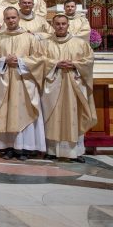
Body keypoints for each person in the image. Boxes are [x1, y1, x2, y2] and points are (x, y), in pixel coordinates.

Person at [0, 7, 45, 161]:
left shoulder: (30, 38)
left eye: (13, 17)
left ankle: (25, 147)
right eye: (8, 18)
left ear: (19, 18)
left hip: (23, 81)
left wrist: (19, 61)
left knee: (23, 111)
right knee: (5, 113)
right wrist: (4, 60)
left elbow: (39, 59)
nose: (11, 20)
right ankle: (7, 146)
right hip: (3, 81)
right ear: (4, 20)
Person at [41, 15, 96, 162]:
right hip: (53, 86)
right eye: (57, 24)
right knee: (52, 116)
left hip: (74, 86)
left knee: (74, 115)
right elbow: (39, 61)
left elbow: (89, 60)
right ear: (53, 25)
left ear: (68, 25)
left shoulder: (80, 44)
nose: (60, 26)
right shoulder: (45, 44)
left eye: (63, 24)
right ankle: (52, 150)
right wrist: (56, 64)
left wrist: (75, 64)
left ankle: (74, 152)